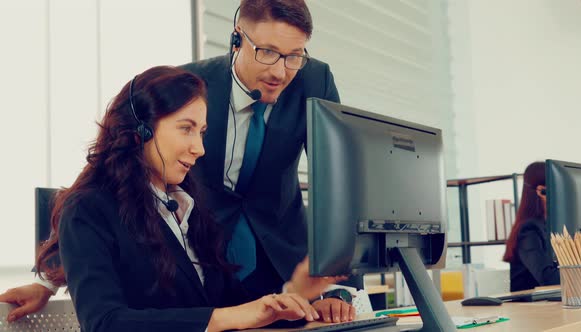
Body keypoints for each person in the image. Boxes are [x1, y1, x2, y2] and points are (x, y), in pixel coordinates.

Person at [1, 0, 355, 323]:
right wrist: (53, 279)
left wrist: (332, 283)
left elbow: (339, 184)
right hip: (185, 261)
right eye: (267, 52)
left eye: (294, 55)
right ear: (237, 39)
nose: (281, 71)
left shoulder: (314, 79)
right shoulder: (187, 89)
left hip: (263, 253)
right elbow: (101, 179)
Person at [503, 161, 560, 292]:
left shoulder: (551, 227)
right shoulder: (529, 230)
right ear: (542, 191)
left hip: (549, 304)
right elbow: (548, 279)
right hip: (530, 308)